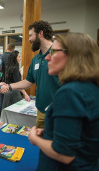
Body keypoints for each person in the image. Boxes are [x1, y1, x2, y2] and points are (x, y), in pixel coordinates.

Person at [28, 32, 99, 170]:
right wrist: (50, 131)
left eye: (53, 52)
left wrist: (34, 139)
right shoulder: (89, 87)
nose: (48, 57)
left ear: (73, 55)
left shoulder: (70, 92)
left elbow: (64, 154)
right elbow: (84, 133)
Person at [9, 20, 60, 128]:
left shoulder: (60, 54)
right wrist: (9, 86)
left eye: (31, 35)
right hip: (41, 111)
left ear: (40, 34)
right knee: (42, 143)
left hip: (58, 112)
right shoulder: (35, 59)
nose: (29, 39)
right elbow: (28, 81)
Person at [0, 44, 15, 118]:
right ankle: (5, 117)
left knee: (1, 99)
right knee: (7, 101)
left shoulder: (0, 56)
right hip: (8, 81)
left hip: (0, 80)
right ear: (13, 49)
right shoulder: (11, 57)